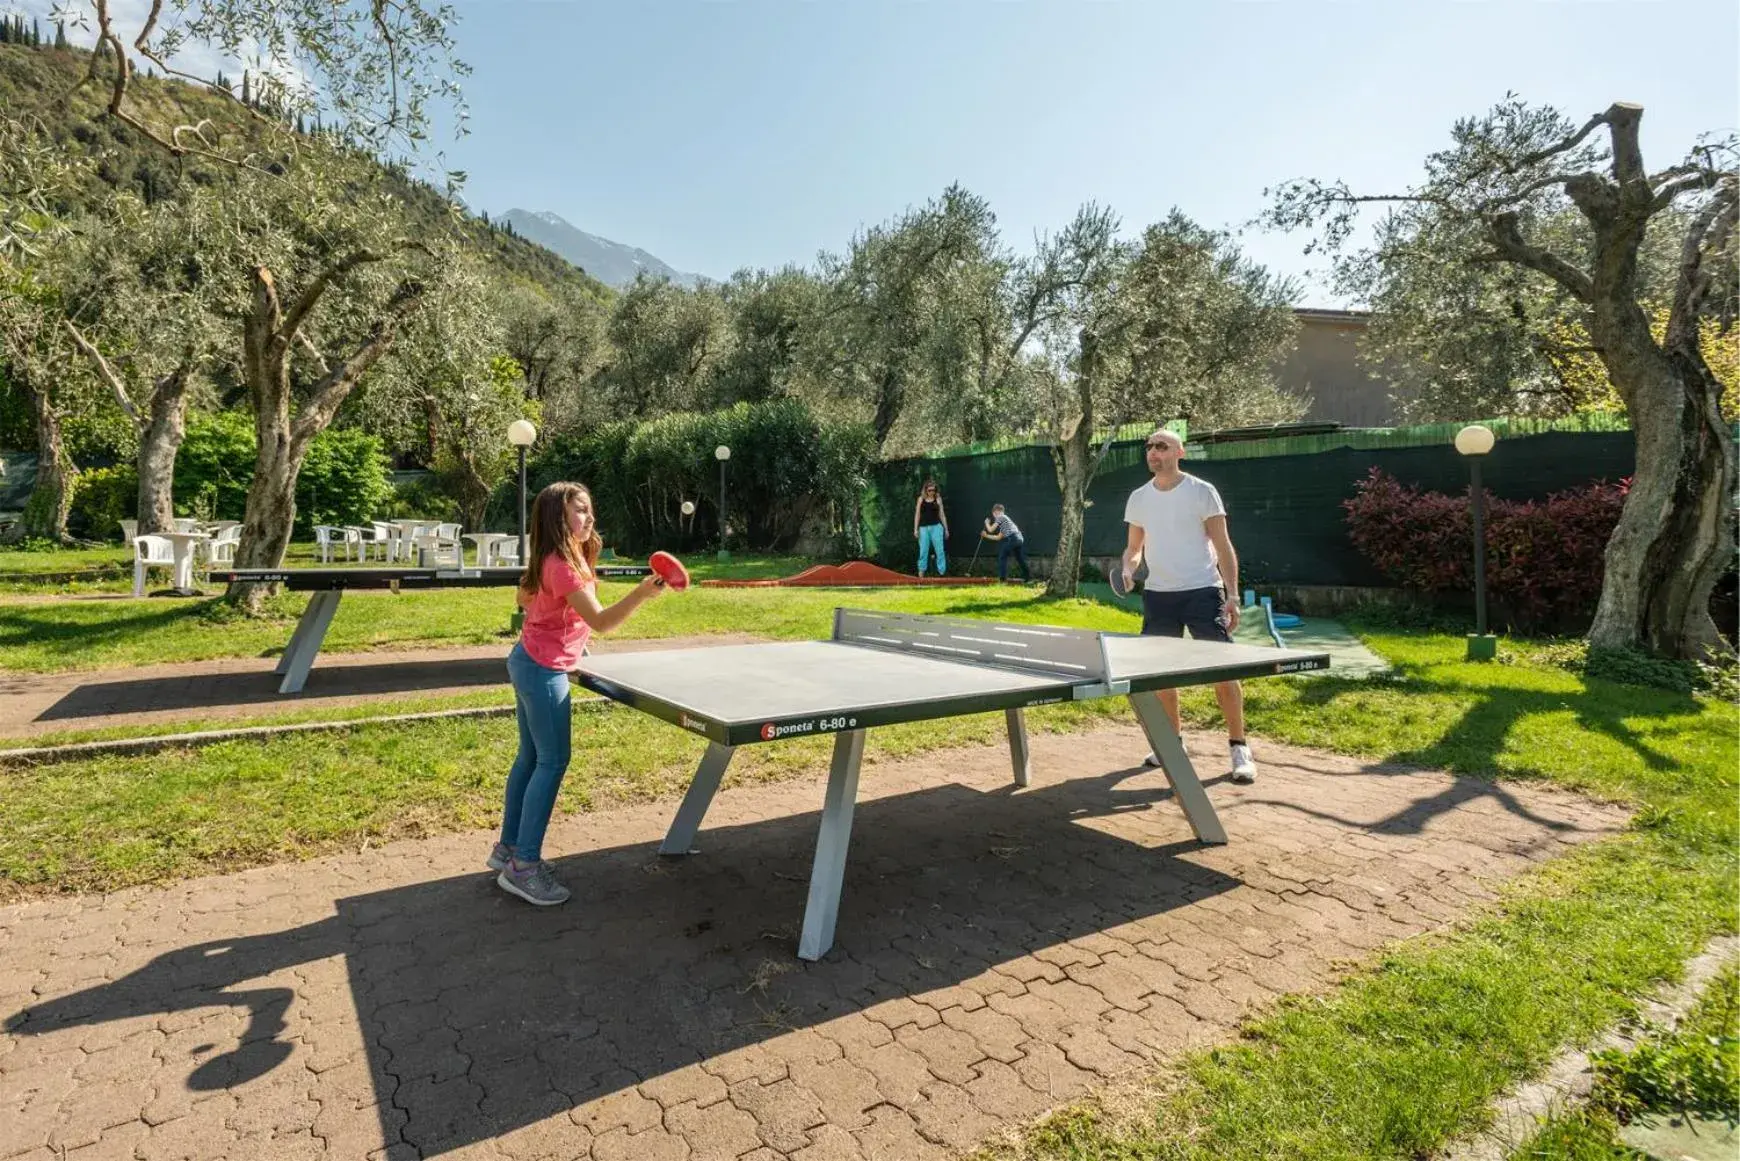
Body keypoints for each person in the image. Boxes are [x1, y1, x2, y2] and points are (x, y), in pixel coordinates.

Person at [491, 481, 669, 905]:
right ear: (558, 518)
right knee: (552, 762)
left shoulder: (551, 558)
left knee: (530, 758)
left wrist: (569, 632)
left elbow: (526, 598)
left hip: (526, 659)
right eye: (581, 511)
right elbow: (604, 622)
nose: (589, 518)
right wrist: (643, 592)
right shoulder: (565, 566)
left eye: (589, 510)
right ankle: (524, 867)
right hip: (542, 670)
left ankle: (508, 851)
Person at [1120, 428, 1256, 782]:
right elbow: (1134, 548)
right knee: (1161, 674)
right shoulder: (1138, 497)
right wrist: (1128, 568)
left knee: (1223, 670)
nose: (1153, 452)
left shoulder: (1202, 492)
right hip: (1159, 596)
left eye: (1161, 446)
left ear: (1179, 452)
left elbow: (1223, 546)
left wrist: (1233, 595)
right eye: (1148, 446)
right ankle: (1172, 743)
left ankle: (1239, 745)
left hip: (1202, 592)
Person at [980, 503, 1030, 582]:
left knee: (1002, 556)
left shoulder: (1001, 517)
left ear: (995, 512)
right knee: (1019, 558)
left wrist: (986, 523)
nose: (995, 516)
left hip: (1013, 538)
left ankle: (1002, 579)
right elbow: (998, 537)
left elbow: (991, 530)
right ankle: (1027, 577)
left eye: (995, 514)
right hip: (1019, 539)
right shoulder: (1005, 523)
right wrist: (986, 536)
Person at [913, 478, 950, 577]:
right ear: (925, 490)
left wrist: (946, 529)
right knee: (923, 551)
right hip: (924, 528)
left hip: (936, 527)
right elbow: (917, 515)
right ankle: (921, 575)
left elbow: (942, 514)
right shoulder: (921, 499)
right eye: (929, 490)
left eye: (933, 490)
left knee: (940, 551)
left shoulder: (938, 499)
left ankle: (941, 573)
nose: (931, 492)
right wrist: (915, 529)